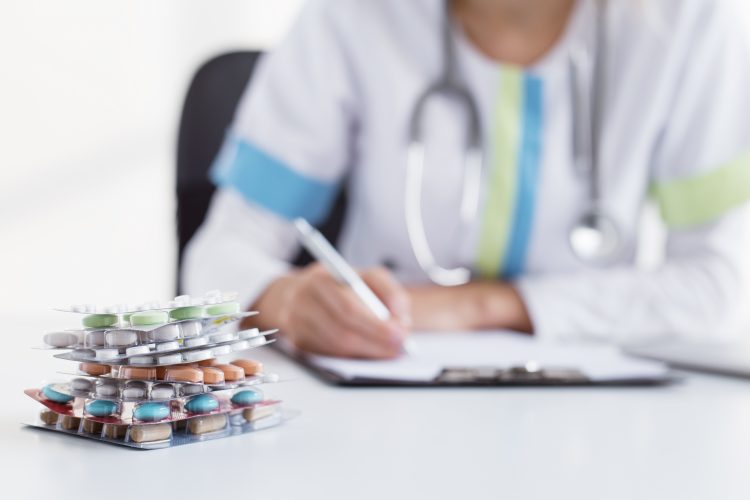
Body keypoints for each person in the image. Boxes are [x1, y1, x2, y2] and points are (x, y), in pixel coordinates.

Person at [184, 0, 750, 359]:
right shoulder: (350, 17)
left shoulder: (690, 21)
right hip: (376, 412)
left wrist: (484, 307)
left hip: (596, 426)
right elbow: (217, 256)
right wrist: (282, 299)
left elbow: (723, 289)